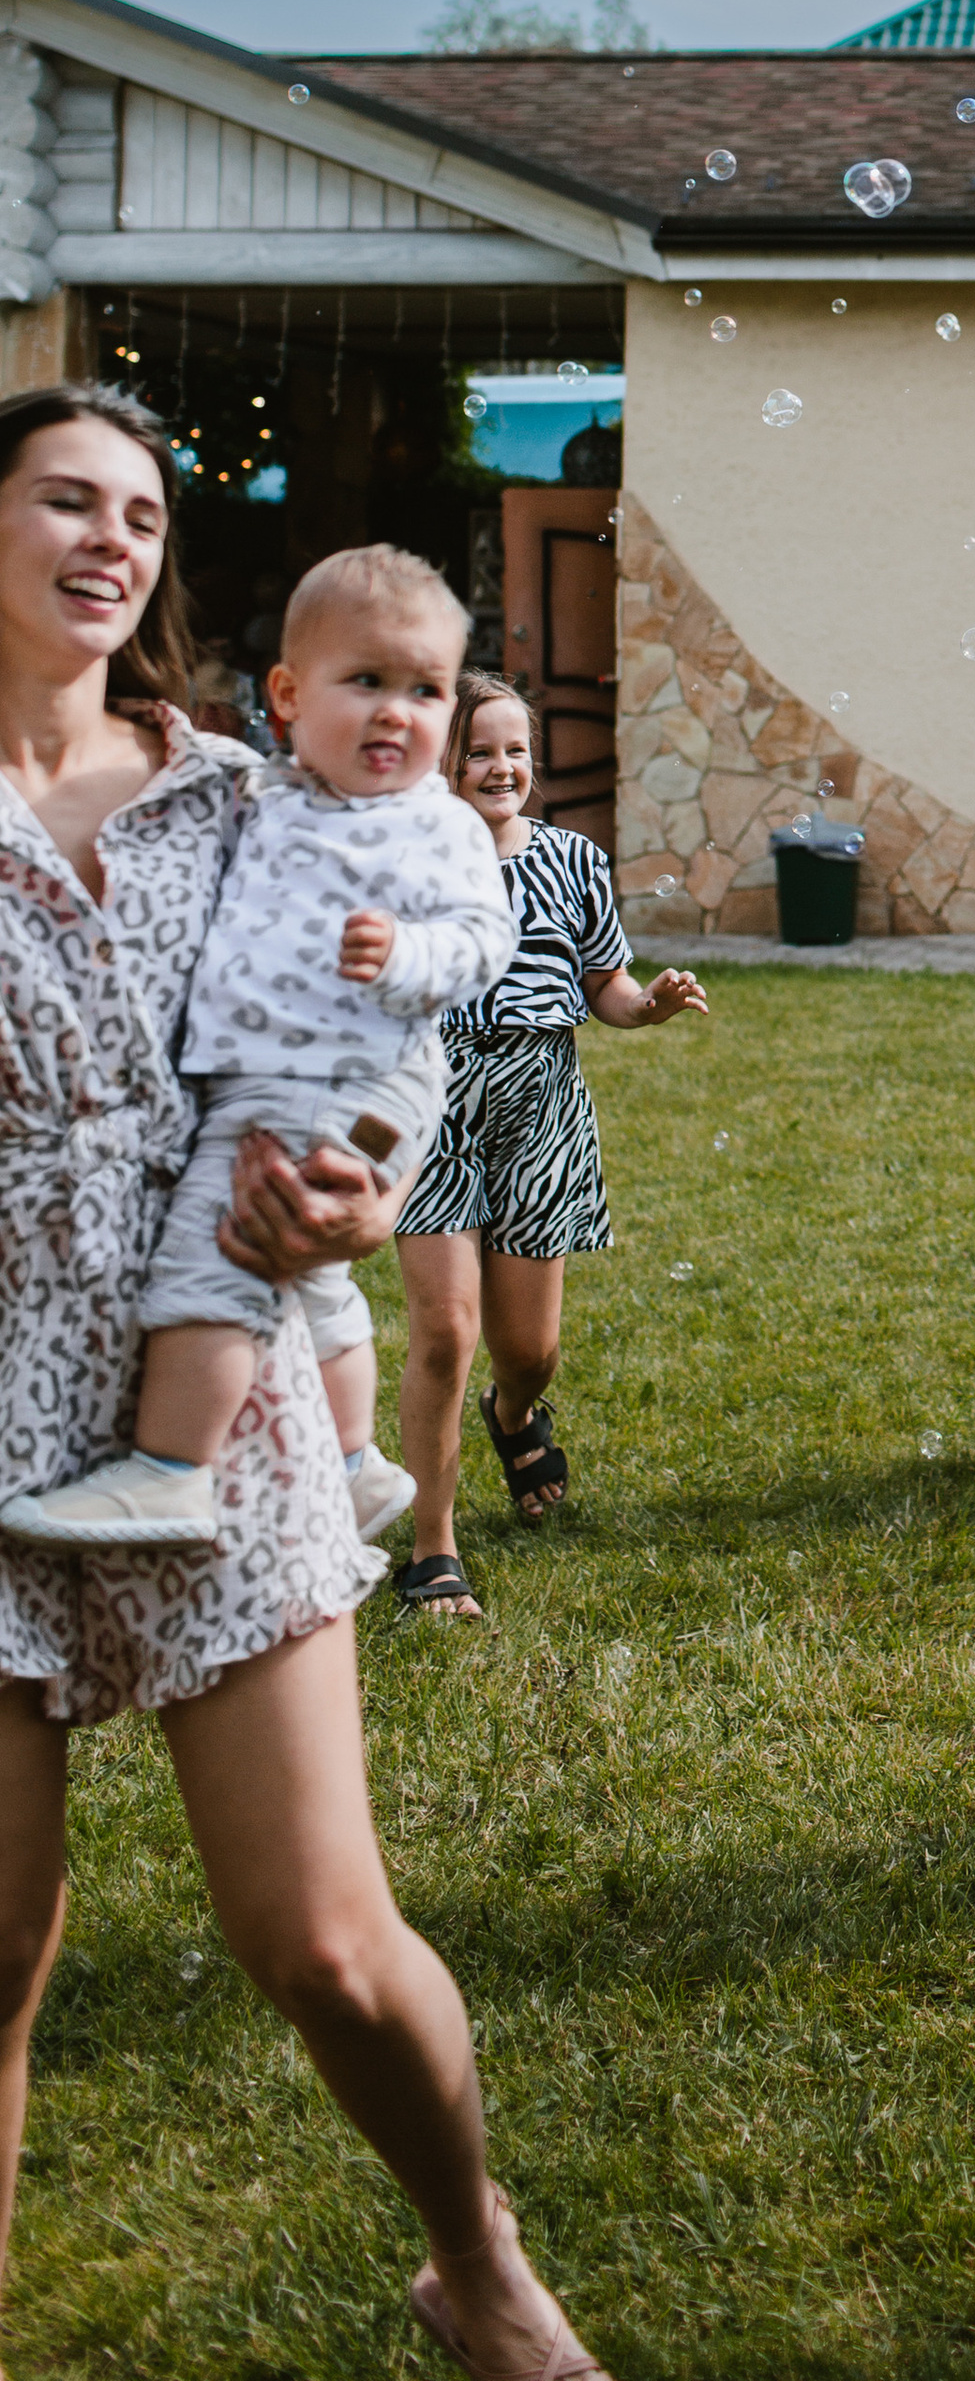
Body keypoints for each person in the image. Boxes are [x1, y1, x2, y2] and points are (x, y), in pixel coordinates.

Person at [0, 384, 609, 2376]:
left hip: (224, 1395)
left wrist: (370, 1200)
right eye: (65, 502)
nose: (112, 539)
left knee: (333, 1953)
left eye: (146, 516)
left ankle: (479, 2260)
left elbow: (363, 1043)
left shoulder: (235, 793)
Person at [1, 543, 515, 1556]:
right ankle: (358, 1462)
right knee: (309, 1283)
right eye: (365, 682)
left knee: (215, 1257)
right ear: (286, 694)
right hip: (269, 1071)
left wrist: (406, 953)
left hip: (340, 1068)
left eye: (426, 691)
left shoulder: (431, 826)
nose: (396, 712)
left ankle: (170, 1472)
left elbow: (482, 940)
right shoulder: (263, 795)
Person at [392, 674, 707, 1626]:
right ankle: (433, 1547)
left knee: (530, 1348)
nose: (501, 768)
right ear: (440, 764)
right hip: (433, 1102)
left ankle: (515, 1415)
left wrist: (644, 1006)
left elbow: (604, 985)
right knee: (446, 1330)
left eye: (515, 750)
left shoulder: (572, 860)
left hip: (541, 1105)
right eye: (478, 751)